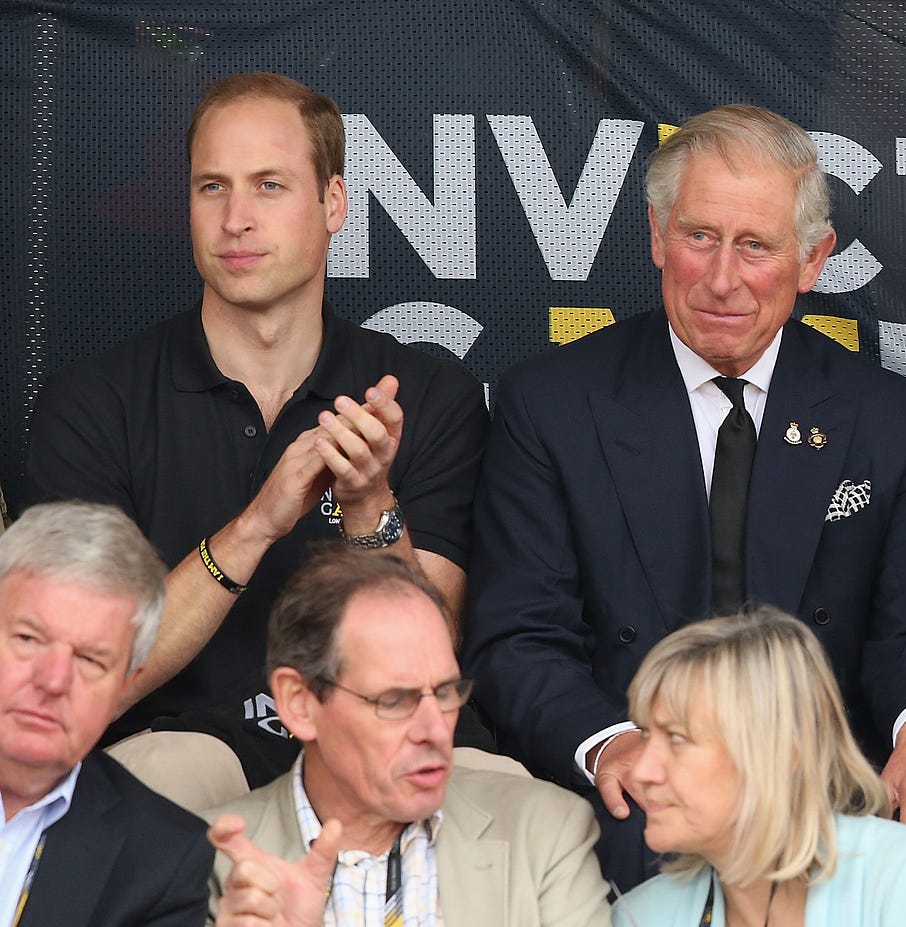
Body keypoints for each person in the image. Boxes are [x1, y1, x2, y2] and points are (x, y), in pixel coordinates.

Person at [466, 103, 906, 890]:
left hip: (822, 778)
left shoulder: (886, 417)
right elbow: (518, 638)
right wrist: (613, 745)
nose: (721, 277)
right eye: (699, 236)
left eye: (755, 246)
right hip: (637, 784)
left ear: (813, 261)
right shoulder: (551, 405)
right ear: (655, 237)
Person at [23, 72, 486, 790]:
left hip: (384, 743)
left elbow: (430, 658)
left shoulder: (429, 396)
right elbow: (83, 676)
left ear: (334, 202)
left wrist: (368, 508)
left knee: (523, 808)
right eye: (213, 187)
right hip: (176, 748)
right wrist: (254, 527)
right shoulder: (91, 404)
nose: (235, 218)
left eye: (269, 185)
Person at [206, 546, 610, 927]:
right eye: (396, 701)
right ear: (299, 704)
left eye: (447, 692)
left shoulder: (545, 832)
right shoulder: (208, 862)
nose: (437, 730)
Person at [612, 608, 906, 927]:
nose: (643, 771)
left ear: (784, 750)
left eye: (676, 738)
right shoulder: (641, 915)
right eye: (646, 736)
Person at [0, 501, 211, 925]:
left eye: (91, 660)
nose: (54, 680)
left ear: (127, 684)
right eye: (28, 638)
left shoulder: (162, 861)